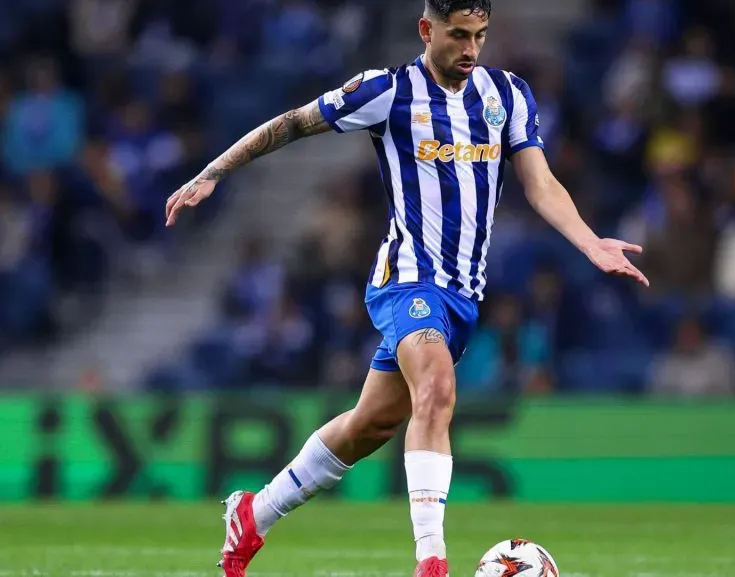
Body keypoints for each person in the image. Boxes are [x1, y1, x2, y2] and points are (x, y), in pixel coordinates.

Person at [163, 2, 649, 577]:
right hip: (407, 279)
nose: (471, 50)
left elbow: (539, 182)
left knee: (371, 423)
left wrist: (590, 242)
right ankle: (432, 560)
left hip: (464, 293)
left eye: (480, 36)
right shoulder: (386, 91)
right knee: (438, 388)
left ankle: (254, 513)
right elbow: (292, 123)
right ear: (427, 30)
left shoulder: (508, 95)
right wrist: (211, 172)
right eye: (459, 35)